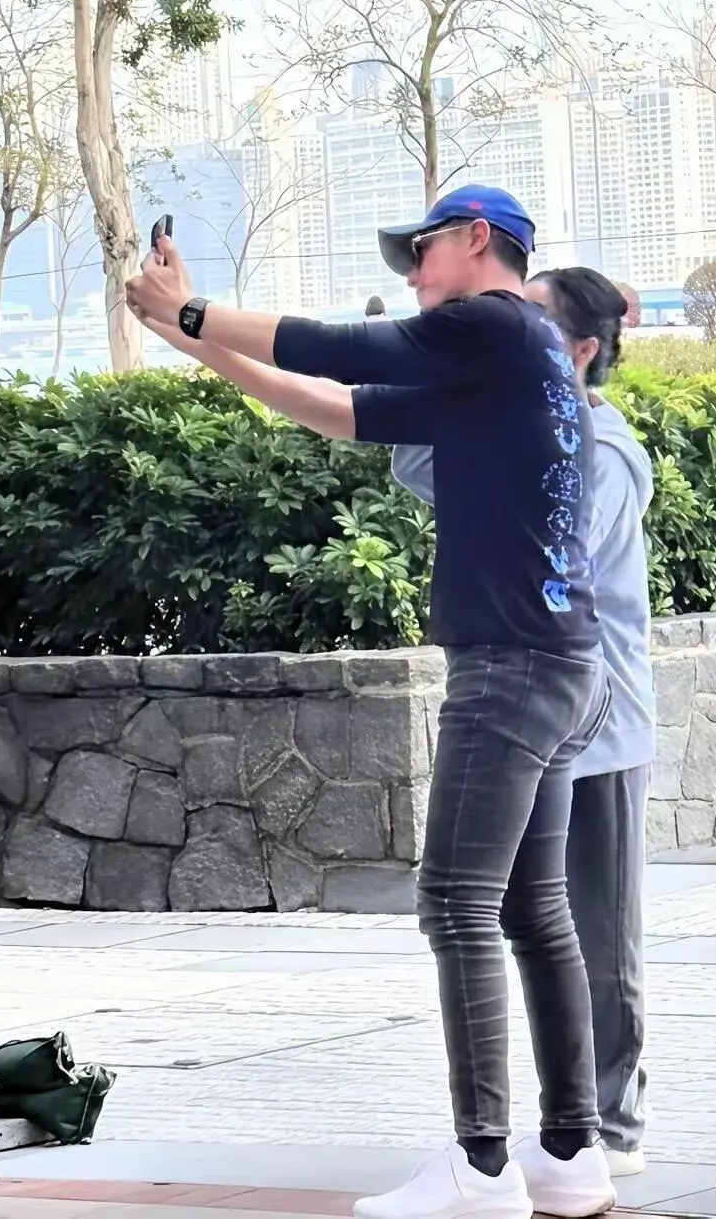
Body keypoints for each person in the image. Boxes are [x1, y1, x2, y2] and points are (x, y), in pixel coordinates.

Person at [126, 184, 617, 1219]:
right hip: (565, 665)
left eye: (420, 252)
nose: (411, 274)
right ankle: (570, 1155)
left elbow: (338, 346)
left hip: (510, 670)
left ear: (477, 241)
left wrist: (195, 308)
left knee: (457, 903)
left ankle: (483, 1165)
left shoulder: (492, 323)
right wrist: (192, 340)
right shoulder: (512, 359)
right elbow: (336, 406)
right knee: (532, 911)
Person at [393, 266, 655, 1181]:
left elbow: (555, 535)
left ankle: (607, 1128)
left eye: (532, 320)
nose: (510, 330)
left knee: (593, 931)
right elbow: (422, 466)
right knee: (531, 914)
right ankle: (564, 1140)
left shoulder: (604, 449)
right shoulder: (520, 427)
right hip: (545, 711)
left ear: (580, 350)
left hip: (597, 721)